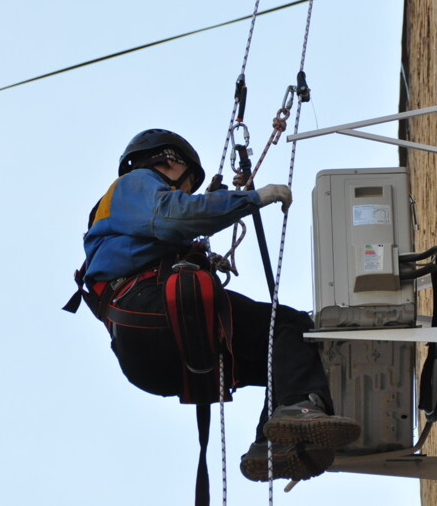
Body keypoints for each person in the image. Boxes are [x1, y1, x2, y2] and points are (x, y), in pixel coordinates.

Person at [66, 129, 360, 484]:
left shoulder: (115, 224)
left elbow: (171, 224)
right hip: (152, 310)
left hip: (147, 357)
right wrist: (251, 198)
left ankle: (271, 443)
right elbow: (175, 215)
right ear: (170, 162)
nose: (185, 191)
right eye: (188, 184)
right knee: (287, 327)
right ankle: (300, 409)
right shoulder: (135, 183)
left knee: (282, 361)